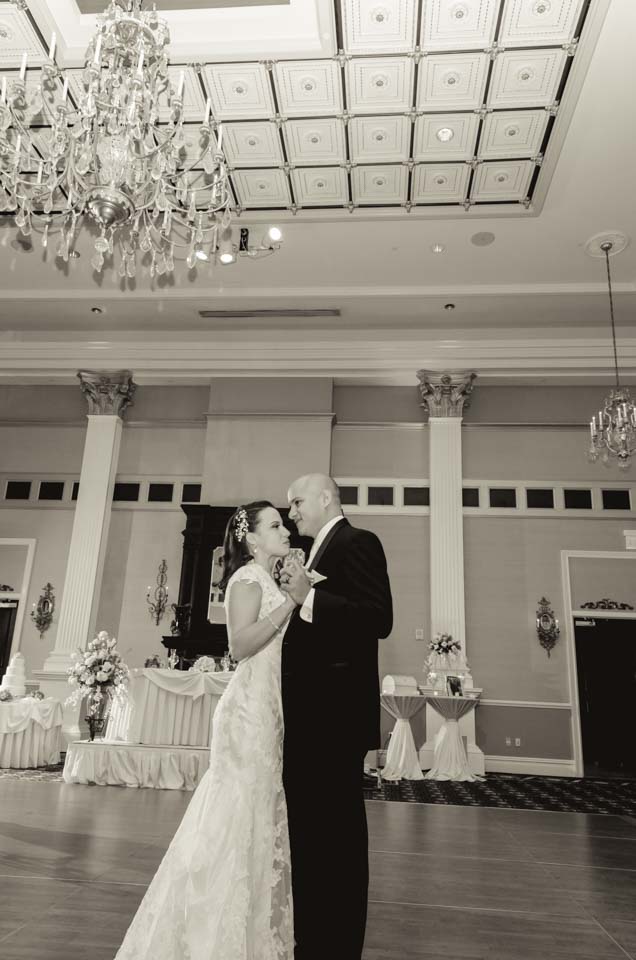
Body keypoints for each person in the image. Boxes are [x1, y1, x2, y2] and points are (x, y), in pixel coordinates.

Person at [114, 500, 298, 960]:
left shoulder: (269, 580)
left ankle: (248, 932)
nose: (286, 530)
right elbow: (239, 645)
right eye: (276, 525)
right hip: (247, 713)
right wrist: (290, 603)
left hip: (268, 709)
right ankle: (208, 933)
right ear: (252, 538)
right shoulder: (247, 579)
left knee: (257, 816)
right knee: (234, 814)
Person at [279, 473, 393, 960]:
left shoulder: (358, 542)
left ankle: (339, 944)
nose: (291, 513)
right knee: (310, 836)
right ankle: (313, 938)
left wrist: (310, 597)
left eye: (297, 502)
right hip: (308, 719)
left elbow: (378, 618)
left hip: (334, 719)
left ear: (326, 498)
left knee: (338, 840)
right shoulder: (314, 552)